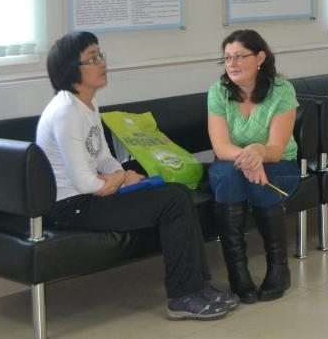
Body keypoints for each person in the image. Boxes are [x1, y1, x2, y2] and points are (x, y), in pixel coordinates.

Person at [36, 31, 239, 321]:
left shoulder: (87, 105)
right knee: (173, 200)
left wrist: (123, 175)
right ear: (71, 69)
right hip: (73, 207)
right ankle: (183, 296)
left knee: (176, 193)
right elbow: (85, 183)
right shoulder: (66, 111)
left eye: (100, 55)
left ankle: (198, 287)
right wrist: (121, 179)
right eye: (92, 58)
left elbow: (105, 159)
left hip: (93, 197)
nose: (102, 62)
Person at [208, 30, 300, 303]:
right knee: (230, 177)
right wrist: (249, 157)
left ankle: (279, 268)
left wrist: (259, 152)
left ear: (260, 58)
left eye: (239, 56)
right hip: (231, 162)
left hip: (278, 163)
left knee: (260, 182)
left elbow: (276, 148)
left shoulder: (282, 90)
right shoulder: (218, 92)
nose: (232, 63)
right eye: (227, 58)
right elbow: (221, 147)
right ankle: (238, 273)